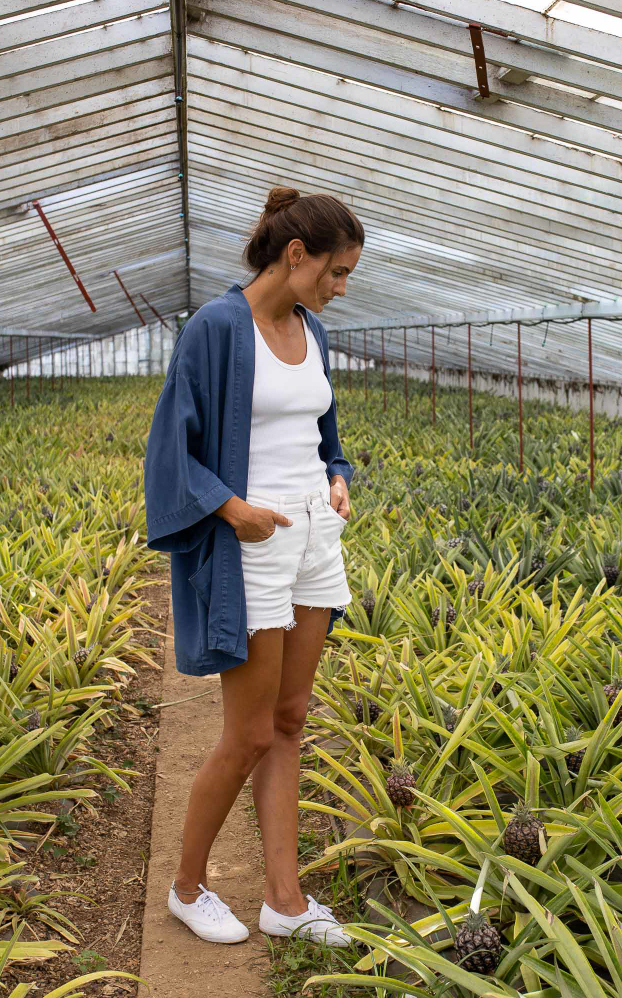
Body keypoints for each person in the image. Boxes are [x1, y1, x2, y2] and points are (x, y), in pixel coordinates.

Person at [143, 186, 364, 946]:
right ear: (294, 255)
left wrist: (337, 473)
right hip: (254, 541)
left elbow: (325, 432)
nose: (340, 290)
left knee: (292, 720)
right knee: (247, 734)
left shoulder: (314, 332)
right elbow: (173, 445)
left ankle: (284, 899)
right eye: (335, 273)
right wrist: (230, 508)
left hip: (313, 533)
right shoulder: (216, 328)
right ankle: (185, 886)